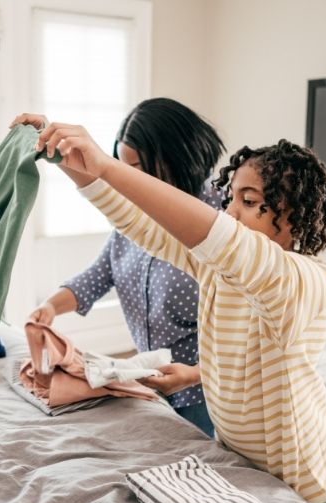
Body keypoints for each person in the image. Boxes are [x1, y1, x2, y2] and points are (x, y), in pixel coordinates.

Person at [15, 115, 326, 503]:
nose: (231, 212)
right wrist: (67, 159)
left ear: (293, 214)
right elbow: (141, 226)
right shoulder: (217, 270)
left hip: (302, 479)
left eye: (249, 201)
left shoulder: (306, 280)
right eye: (230, 199)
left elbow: (228, 244)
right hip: (242, 462)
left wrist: (106, 165)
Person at [22, 98, 225, 437]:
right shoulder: (134, 215)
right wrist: (50, 307)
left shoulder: (220, 218)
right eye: (121, 164)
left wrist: (196, 374)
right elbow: (100, 274)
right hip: (151, 382)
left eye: (138, 168)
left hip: (205, 391)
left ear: (174, 160)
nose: (127, 178)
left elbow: (248, 334)